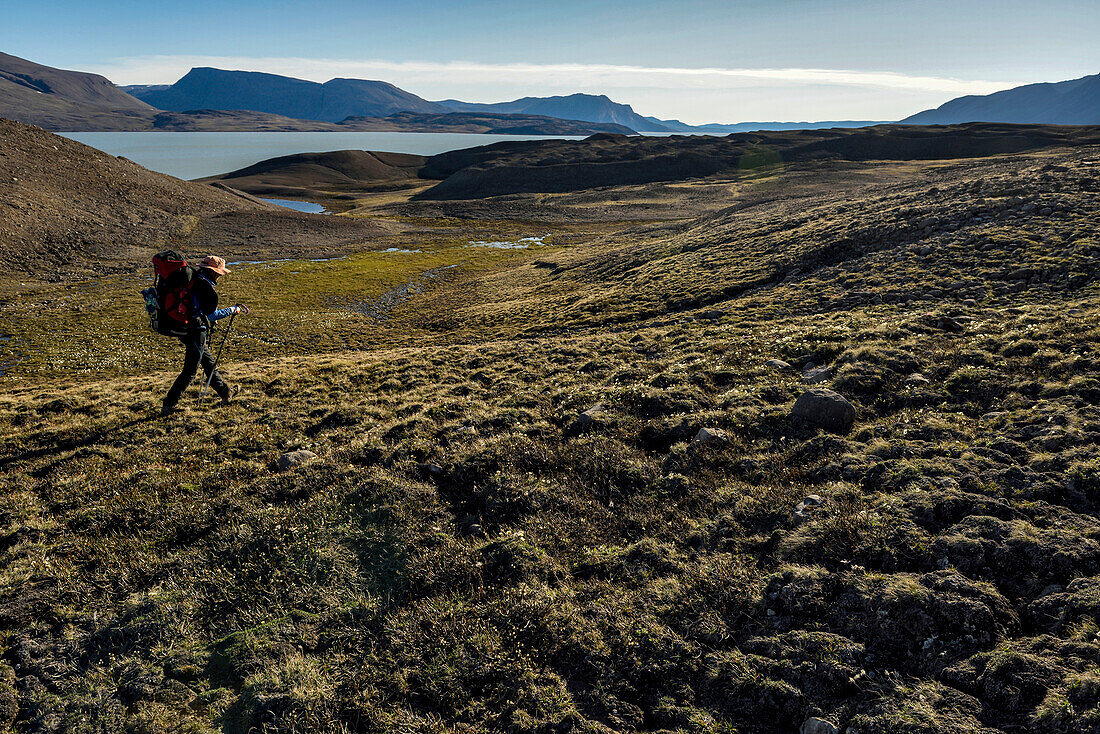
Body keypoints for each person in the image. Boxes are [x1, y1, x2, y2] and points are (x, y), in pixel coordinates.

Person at [161, 255, 249, 416]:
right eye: (219, 273)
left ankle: (225, 393)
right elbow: (212, 315)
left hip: (186, 328)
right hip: (195, 331)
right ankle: (169, 404)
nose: (220, 276)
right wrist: (232, 310)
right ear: (213, 272)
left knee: (208, 362)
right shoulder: (206, 288)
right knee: (190, 371)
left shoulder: (193, 278)